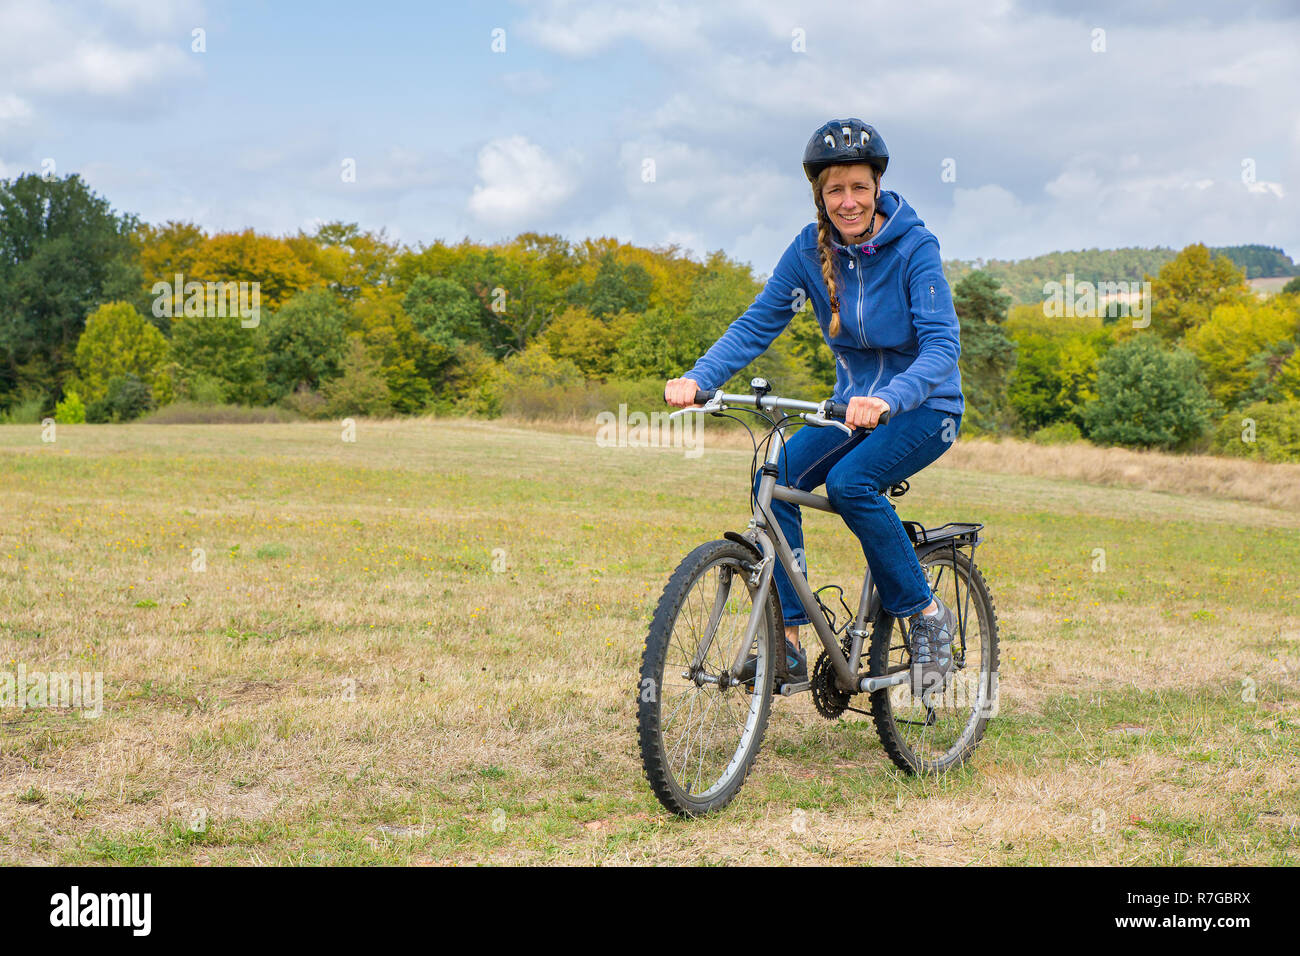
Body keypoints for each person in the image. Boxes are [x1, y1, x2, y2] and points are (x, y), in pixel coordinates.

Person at [664, 118, 964, 701]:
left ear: (876, 187)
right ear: (819, 196)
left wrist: (890, 398)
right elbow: (758, 323)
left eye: (857, 187)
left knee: (852, 484)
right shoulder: (809, 250)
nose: (847, 202)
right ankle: (793, 641)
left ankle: (926, 616)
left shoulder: (915, 249)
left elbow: (941, 348)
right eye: (834, 191)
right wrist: (700, 378)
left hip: (927, 408)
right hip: (848, 410)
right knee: (774, 477)